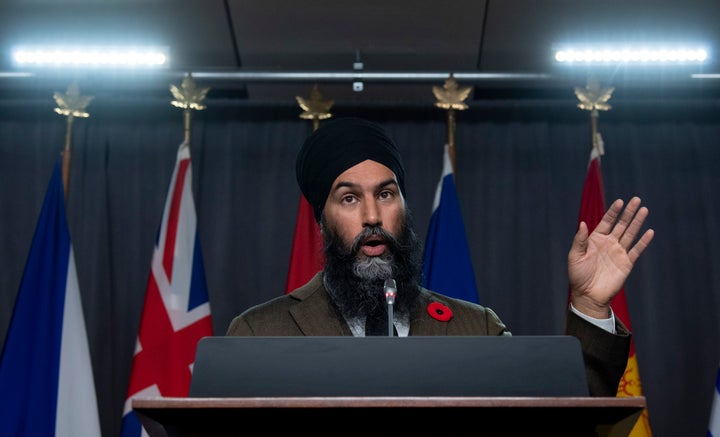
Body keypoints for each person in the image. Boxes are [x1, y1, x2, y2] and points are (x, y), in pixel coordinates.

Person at [226, 117, 655, 397]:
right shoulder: (259, 332)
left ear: (404, 207)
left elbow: (566, 418)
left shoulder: (476, 328)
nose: (373, 216)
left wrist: (591, 306)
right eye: (350, 198)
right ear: (322, 220)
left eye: (386, 194)